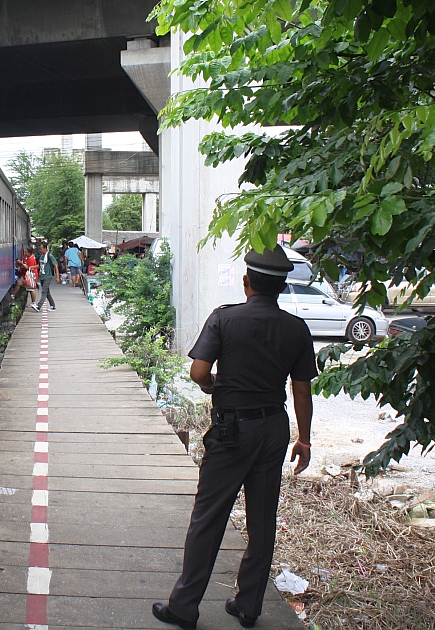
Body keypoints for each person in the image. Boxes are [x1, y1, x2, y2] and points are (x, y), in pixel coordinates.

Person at [152, 245, 317, 630]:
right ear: (280, 287)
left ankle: (184, 607)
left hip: (231, 431)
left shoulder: (224, 319)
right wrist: (304, 439)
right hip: (274, 428)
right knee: (262, 520)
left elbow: (197, 372)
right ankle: (248, 606)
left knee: (208, 518)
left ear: (247, 283)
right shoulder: (297, 328)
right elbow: (302, 390)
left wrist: (212, 386)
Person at [31, 241, 59, 312]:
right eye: (39, 249)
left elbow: (55, 265)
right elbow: (39, 265)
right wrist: (32, 267)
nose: (40, 250)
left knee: (44, 292)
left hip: (48, 276)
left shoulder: (49, 256)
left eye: (41, 249)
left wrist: (57, 277)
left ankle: (38, 306)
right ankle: (53, 306)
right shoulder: (41, 256)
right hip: (42, 277)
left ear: (45, 248)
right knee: (47, 293)